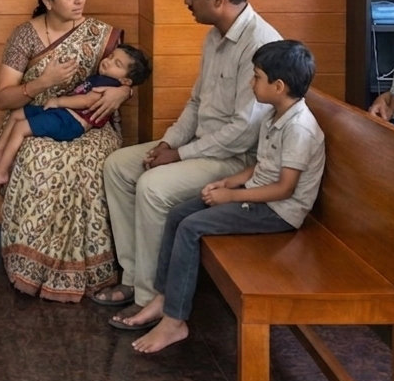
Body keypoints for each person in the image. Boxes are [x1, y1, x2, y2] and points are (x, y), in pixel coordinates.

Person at [97, 0, 281, 321]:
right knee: (118, 166)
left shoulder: (261, 44)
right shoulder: (215, 37)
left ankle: (150, 296)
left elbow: (243, 131)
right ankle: (133, 276)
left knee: (152, 186)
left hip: (237, 159)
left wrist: (180, 155)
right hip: (199, 146)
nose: (186, 1)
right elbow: (196, 102)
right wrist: (169, 143)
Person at [118, 41, 325, 351]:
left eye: (256, 77)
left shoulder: (299, 128)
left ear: (278, 86)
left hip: (276, 210)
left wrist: (230, 197)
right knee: (178, 215)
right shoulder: (276, 113)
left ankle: (175, 322)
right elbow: (262, 165)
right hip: (257, 194)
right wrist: (230, 181)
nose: (251, 82)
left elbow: (285, 188)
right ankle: (163, 298)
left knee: (191, 228)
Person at [0, 0, 133, 302]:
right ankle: (33, 268)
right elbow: (2, 97)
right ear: (47, 0)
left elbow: (129, 75)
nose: (79, 1)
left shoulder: (102, 35)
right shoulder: (25, 35)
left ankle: (94, 271)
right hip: (36, 117)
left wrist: (124, 92)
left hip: (91, 124)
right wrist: (43, 83)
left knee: (88, 164)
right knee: (42, 160)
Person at [0, 44, 151, 189]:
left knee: (21, 127)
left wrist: (59, 101)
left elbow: (87, 101)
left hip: (71, 122)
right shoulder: (104, 78)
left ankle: (2, 171)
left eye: (117, 64)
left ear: (126, 81)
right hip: (64, 113)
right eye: (111, 56)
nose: (108, 61)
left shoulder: (110, 85)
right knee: (17, 113)